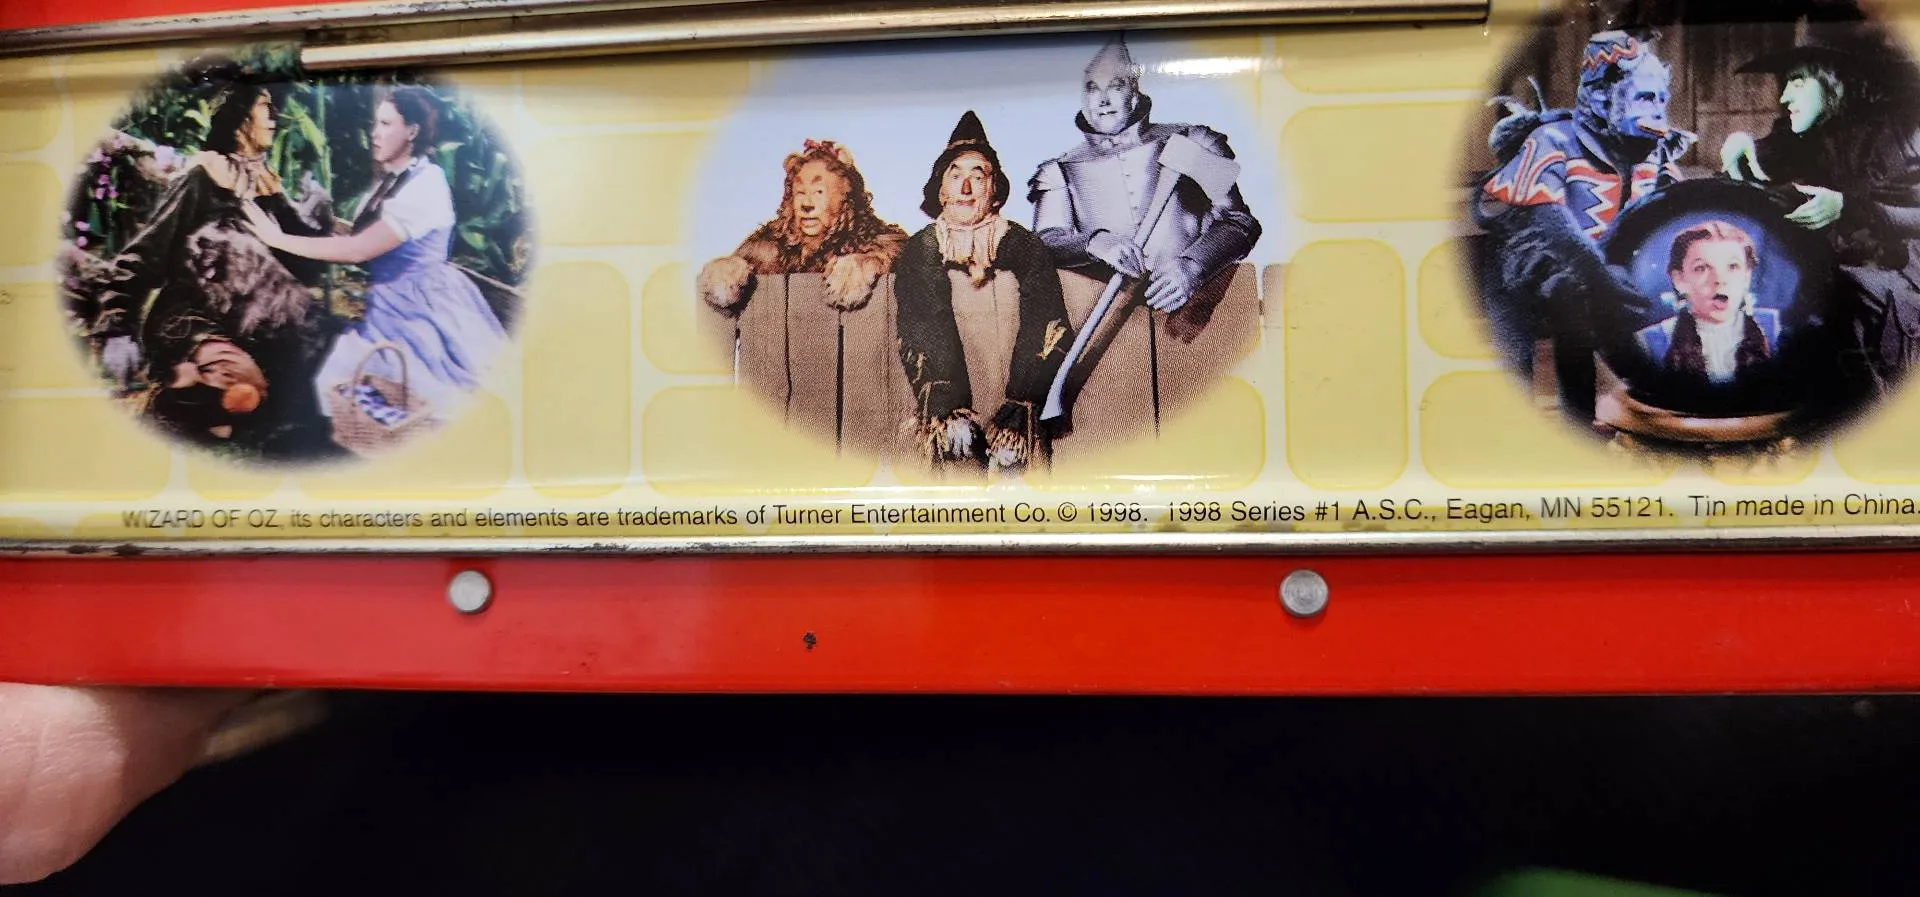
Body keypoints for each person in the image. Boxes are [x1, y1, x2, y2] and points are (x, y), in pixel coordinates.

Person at [80, 62, 340, 460]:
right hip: (194, 318)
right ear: (241, 118)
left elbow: (305, 267)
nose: (274, 118)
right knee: (242, 388)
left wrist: (316, 216)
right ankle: (173, 393)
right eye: (265, 108)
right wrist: (117, 324)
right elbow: (145, 253)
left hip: (260, 323)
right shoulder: (202, 176)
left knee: (303, 382)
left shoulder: (267, 182)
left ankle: (238, 402)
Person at [244, 86, 509, 435]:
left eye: (386, 124)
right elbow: (361, 238)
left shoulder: (425, 186)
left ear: (412, 131)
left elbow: (359, 250)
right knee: (338, 376)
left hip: (421, 307)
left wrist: (276, 239)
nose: (374, 133)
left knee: (419, 390)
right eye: (375, 123)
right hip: (390, 303)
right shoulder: (395, 181)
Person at [1474, 29, 1697, 422]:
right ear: (1599, 98)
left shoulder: (1652, 152)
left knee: (1640, 315)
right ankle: (1576, 423)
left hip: (1594, 273)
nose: (1658, 110)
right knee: (1530, 369)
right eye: (1645, 97)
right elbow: (1551, 223)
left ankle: (1636, 412)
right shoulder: (1553, 140)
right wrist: (1603, 279)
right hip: (1523, 277)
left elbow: (1674, 212)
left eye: (1662, 99)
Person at [1720, 30, 1920, 397]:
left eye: (1797, 81)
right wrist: (1744, 147)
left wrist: (1847, 207)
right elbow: (1777, 150)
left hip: (1904, 285)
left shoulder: (1901, 131)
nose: (1784, 96)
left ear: (1834, 80)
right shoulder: (1816, 128)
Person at [1027, 34, 1261, 314]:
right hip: (1113, 319)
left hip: (1200, 310)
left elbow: (1240, 222)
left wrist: (1194, 266)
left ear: (1134, 92)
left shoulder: (1192, 140)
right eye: (1092, 89)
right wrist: (1094, 242)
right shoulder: (1059, 170)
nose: (1103, 100)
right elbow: (1044, 244)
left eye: (1116, 86)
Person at [895, 112, 1074, 475]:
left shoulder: (1027, 247)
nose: (965, 188)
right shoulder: (919, 250)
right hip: (947, 420)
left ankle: (1014, 428)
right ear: (941, 191)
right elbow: (919, 322)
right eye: (955, 176)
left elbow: (1048, 320)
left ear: (994, 192)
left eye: (978, 177)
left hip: (1015, 408)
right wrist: (946, 408)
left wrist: (1021, 407)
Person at [696, 139, 908, 313]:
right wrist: (728, 269)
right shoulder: (770, 246)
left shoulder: (873, 238)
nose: (806, 204)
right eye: (800, 192)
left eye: (818, 192)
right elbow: (738, 268)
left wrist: (871, 262)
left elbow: (903, 254)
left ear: (846, 199)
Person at [1635, 221, 1779, 385]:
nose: (1719, 280)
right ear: (1679, 279)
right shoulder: (1648, 342)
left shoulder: (1776, 329)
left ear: (1747, 276)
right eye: (1701, 268)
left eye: (1732, 266)